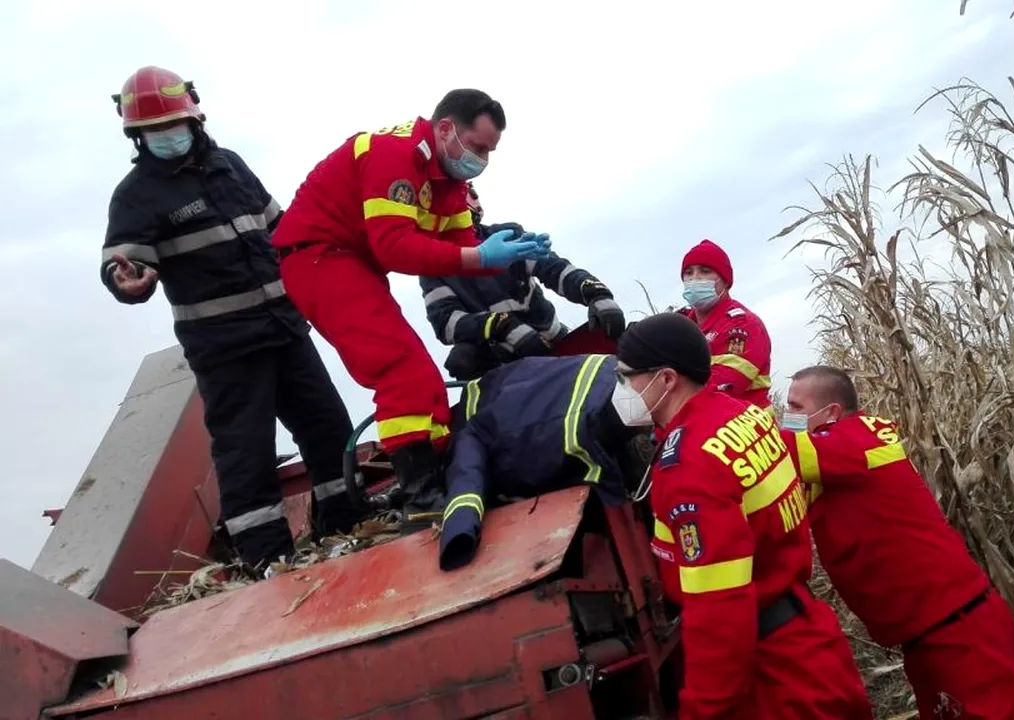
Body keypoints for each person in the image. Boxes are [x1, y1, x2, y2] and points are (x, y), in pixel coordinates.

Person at [100, 66, 362, 569]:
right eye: (154, 132)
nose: (167, 137)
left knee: (329, 428)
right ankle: (270, 562)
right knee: (247, 456)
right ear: (138, 137)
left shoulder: (232, 167)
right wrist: (126, 281)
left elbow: (283, 230)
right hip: (226, 350)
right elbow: (122, 264)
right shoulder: (135, 195)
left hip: (285, 329)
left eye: (172, 126)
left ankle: (347, 527)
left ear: (194, 120)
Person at [270, 89, 552, 536]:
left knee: (423, 377)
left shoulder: (451, 185)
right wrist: (481, 259)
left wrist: (511, 256)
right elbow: (394, 245)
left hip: (352, 263)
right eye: (477, 147)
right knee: (399, 366)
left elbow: (462, 255)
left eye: (489, 152)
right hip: (319, 257)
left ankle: (430, 479)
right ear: (444, 129)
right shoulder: (394, 155)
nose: (481, 159)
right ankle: (421, 498)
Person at [614, 313, 873, 720]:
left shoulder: (689, 467)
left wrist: (702, 710)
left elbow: (719, 608)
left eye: (626, 377)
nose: (621, 389)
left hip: (773, 677)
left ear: (666, 379)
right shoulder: (741, 415)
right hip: (808, 638)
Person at [779, 365, 1014, 720]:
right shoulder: (845, 449)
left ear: (831, 414)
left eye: (794, 407)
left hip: (960, 631)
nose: (786, 417)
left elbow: (777, 451)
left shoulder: (850, 442)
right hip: (932, 633)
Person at [435, 352, 651, 571]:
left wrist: (458, 534)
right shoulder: (508, 375)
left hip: (585, 424)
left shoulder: (469, 432)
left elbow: (466, 482)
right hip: (608, 371)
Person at [421, 182, 626, 381]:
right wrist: (502, 326)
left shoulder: (507, 236)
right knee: (461, 361)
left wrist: (596, 294)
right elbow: (446, 322)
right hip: (499, 358)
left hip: (551, 342)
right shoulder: (433, 266)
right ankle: (493, 399)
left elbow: (554, 269)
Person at [677, 239, 773, 409]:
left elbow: (724, 387)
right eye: (688, 273)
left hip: (744, 427)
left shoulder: (744, 325)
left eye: (705, 271)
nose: (695, 278)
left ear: (726, 281)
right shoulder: (679, 325)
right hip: (696, 423)